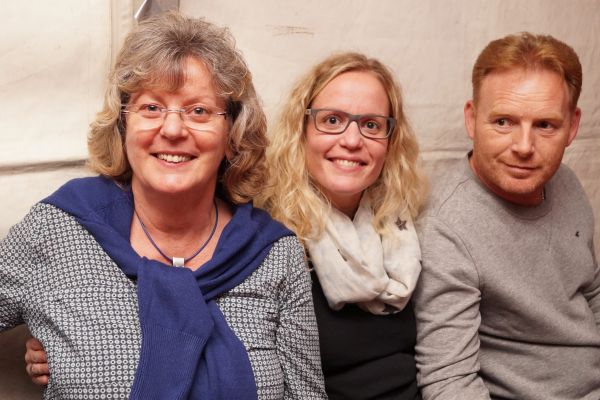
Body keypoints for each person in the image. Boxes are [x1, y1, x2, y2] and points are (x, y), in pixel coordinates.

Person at [3, 12, 326, 399]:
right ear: (123, 127)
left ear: (232, 135)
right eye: (152, 108)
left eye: (199, 111)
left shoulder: (276, 254)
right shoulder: (59, 230)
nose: (172, 130)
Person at [413, 32, 600, 399]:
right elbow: (449, 382)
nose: (524, 147)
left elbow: (591, 290)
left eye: (545, 125)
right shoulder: (446, 227)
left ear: (573, 126)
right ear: (471, 119)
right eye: (503, 122)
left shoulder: (565, 181)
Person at [258, 52, 427, 399]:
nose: (352, 141)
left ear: (390, 141)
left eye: (371, 125)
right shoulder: (268, 243)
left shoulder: (404, 227)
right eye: (332, 120)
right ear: (301, 130)